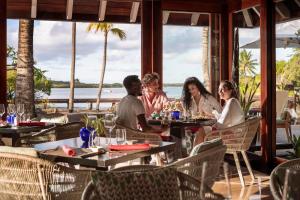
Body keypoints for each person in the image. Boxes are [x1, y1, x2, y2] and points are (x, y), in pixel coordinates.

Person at [194, 80, 245, 145]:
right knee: (202, 130)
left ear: (230, 90)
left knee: (201, 130)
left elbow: (222, 123)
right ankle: (198, 154)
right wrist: (212, 115)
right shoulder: (232, 102)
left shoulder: (232, 102)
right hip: (234, 134)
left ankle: (198, 154)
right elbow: (224, 118)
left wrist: (212, 126)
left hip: (232, 137)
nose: (219, 92)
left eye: (222, 89)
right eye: (219, 90)